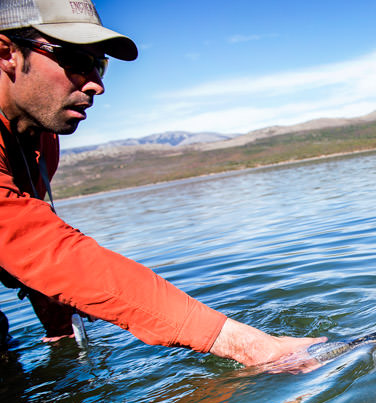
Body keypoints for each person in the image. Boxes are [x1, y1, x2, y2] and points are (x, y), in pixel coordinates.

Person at [0, 0, 324, 368]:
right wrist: (246, 344)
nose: (98, 85)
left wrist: (60, 331)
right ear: (7, 52)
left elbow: (24, 237)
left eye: (99, 64)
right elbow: (42, 247)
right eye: (75, 61)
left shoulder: (41, 138)